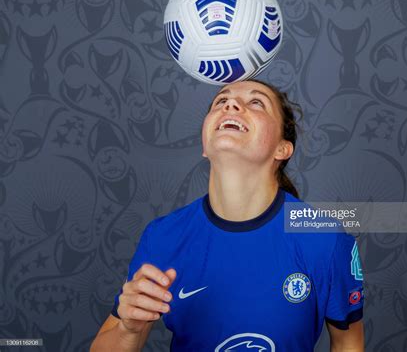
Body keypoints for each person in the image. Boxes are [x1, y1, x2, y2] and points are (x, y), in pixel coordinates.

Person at [91, 79, 365, 351]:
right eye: (221, 101)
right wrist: (128, 331)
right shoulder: (163, 236)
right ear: (204, 145)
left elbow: (348, 342)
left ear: (283, 149)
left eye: (256, 102)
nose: (231, 104)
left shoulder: (323, 237)